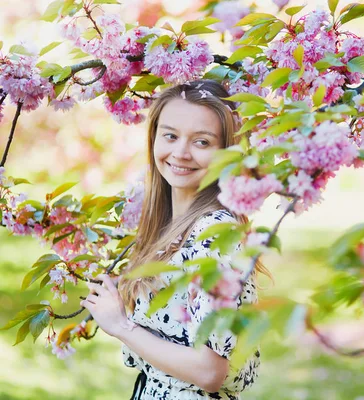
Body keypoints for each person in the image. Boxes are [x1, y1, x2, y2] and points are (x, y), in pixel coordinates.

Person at [79, 80, 268, 399]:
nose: (180, 153)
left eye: (202, 142)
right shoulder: (172, 227)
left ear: (227, 152)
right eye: (170, 135)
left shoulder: (215, 235)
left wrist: (121, 325)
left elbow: (210, 371)